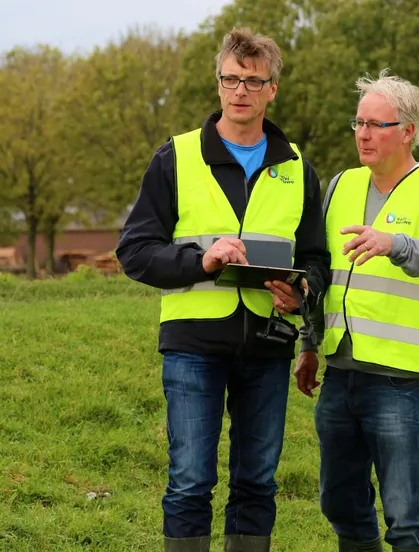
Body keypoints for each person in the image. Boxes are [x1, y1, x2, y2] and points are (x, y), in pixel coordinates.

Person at [116, 28, 330, 552]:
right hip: (193, 346)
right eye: (231, 79)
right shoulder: (176, 157)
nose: (240, 91)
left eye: (253, 82)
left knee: (257, 482)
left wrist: (301, 292)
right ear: (217, 84)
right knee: (190, 482)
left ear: (272, 89)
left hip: (267, 345)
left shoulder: (297, 167)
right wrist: (200, 260)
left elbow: (317, 259)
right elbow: (135, 251)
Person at [294, 70, 419, 552]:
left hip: (400, 380)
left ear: (407, 131)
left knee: (405, 518)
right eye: (358, 123)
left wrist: (392, 243)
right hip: (340, 371)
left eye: (376, 124)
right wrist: (308, 345)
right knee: (339, 503)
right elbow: (323, 273)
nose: (363, 134)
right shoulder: (340, 186)